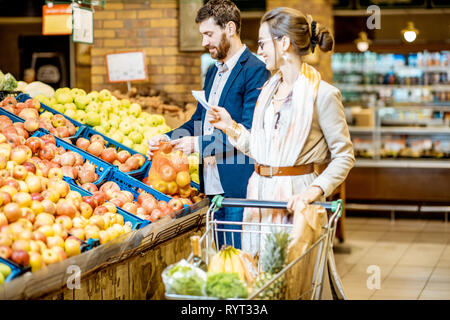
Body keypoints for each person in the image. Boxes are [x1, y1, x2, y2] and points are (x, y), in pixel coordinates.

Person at [207, 7, 355, 254]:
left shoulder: (323, 95)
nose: (260, 50)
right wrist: (230, 126)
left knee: (293, 280)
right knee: (259, 276)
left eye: (264, 43)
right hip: (258, 197)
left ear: (284, 43)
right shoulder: (267, 92)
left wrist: (311, 193)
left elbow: (344, 156)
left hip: (296, 201)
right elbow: (261, 149)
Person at [147, 0, 270, 249]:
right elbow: (198, 122)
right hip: (210, 188)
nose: (204, 42)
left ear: (231, 28)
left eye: (209, 34)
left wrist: (197, 145)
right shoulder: (213, 72)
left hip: (238, 189)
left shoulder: (256, 70)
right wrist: (168, 139)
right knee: (219, 261)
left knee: (237, 262)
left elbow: (248, 132)